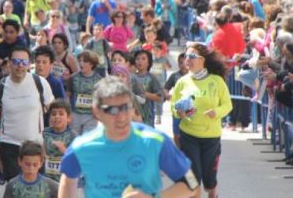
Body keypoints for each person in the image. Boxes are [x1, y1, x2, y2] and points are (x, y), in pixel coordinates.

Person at [59, 76, 198, 197]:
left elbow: (192, 183)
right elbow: (68, 181)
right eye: (112, 110)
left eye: (126, 107)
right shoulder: (81, 147)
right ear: (97, 112)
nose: (121, 117)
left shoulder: (155, 142)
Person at [0, 46, 55, 182]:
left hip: (36, 145)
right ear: (9, 63)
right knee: (16, 188)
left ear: (29, 64)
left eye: (24, 62)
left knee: (36, 190)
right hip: (9, 146)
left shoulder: (40, 83)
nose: (20, 66)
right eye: (16, 62)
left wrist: (50, 141)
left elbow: (54, 113)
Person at [170, 43, 233, 198]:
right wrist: (179, 113)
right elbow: (173, 106)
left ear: (203, 60)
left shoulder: (216, 81)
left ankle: (213, 193)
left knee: (209, 179)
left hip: (211, 137)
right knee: (193, 176)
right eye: (186, 56)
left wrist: (216, 112)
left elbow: (227, 105)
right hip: (189, 135)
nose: (187, 60)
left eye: (192, 56)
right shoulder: (182, 82)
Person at [67, 50, 103, 135]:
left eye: (84, 61)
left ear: (91, 64)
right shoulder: (73, 78)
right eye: (80, 61)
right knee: (74, 141)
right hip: (75, 114)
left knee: (87, 140)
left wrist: (98, 112)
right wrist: (68, 112)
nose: (81, 63)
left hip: (91, 116)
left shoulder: (99, 80)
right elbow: (68, 95)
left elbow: (101, 98)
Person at [42, 100, 77, 182]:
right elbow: (41, 150)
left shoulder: (72, 136)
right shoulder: (45, 133)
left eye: (61, 114)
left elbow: (76, 159)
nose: (57, 117)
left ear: (68, 118)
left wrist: (64, 150)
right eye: (53, 114)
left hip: (65, 180)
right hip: (47, 178)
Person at [133, 50, 164, 127]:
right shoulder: (131, 77)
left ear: (149, 63)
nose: (140, 61)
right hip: (133, 115)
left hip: (147, 116)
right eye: (137, 59)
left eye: (143, 59)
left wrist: (145, 94)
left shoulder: (151, 78)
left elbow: (160, 97)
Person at [164, 52, 187, 146]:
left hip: (190, 109)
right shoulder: (174, 76)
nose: (183, 65)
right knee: (176, 133)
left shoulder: (194, 76)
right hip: (177, 109)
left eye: (185, 62)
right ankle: (178, 150)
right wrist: (167, 95)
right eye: (181, 62)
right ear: (178, 64)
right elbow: (166, 88)